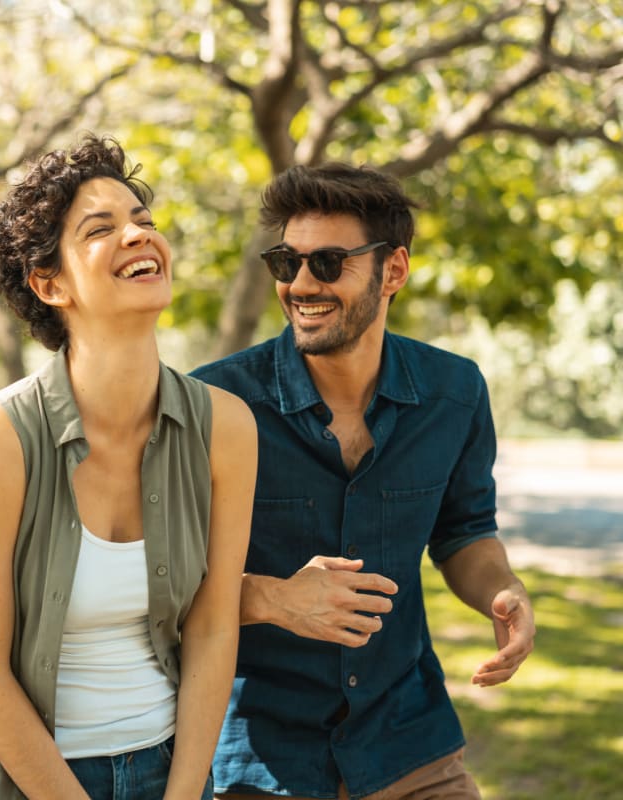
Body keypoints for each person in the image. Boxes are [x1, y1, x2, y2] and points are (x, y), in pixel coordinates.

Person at [0, 134, 257, 800]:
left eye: (144, 222)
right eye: (102, 229)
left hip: (167, 769)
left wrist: (183, 794)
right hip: (17, 779)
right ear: (49, 283)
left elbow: (212, 626)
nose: (138, 236)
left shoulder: (226, 428)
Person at [191, 162, 536, 799]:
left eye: (327, 263)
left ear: (393, 271)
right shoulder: (214, 403)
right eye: (285, 262)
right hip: (263, 764)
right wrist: (271, 598)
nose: (299, 284)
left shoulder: (455, 394)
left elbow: (464, 533)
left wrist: (502, 590)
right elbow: (160, 583)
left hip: (411, 747)